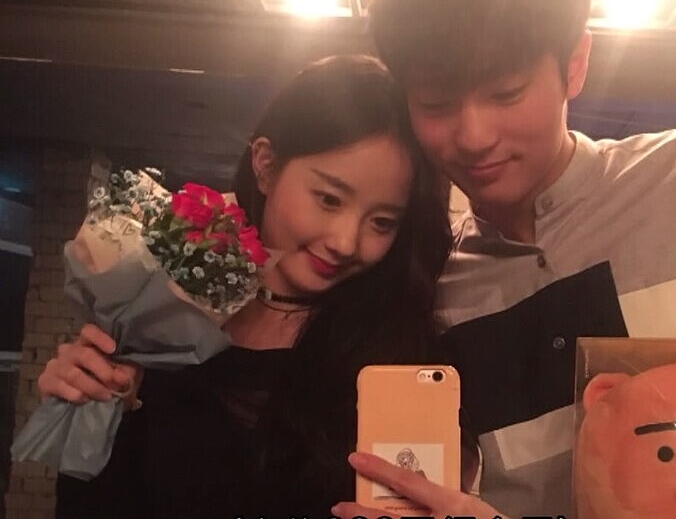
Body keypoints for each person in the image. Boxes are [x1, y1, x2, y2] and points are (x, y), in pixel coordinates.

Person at [333, 0, 676, 518]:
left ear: (575, 63)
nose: (473, 135)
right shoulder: (436, 289)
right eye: (436, 104)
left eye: (506, 93)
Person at [38, 54, 453, 519]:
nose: (345, 242)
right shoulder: (157, 316)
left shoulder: (397, 353)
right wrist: (86, 405)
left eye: (382, 222)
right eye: (329, 199)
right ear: (266, 166)